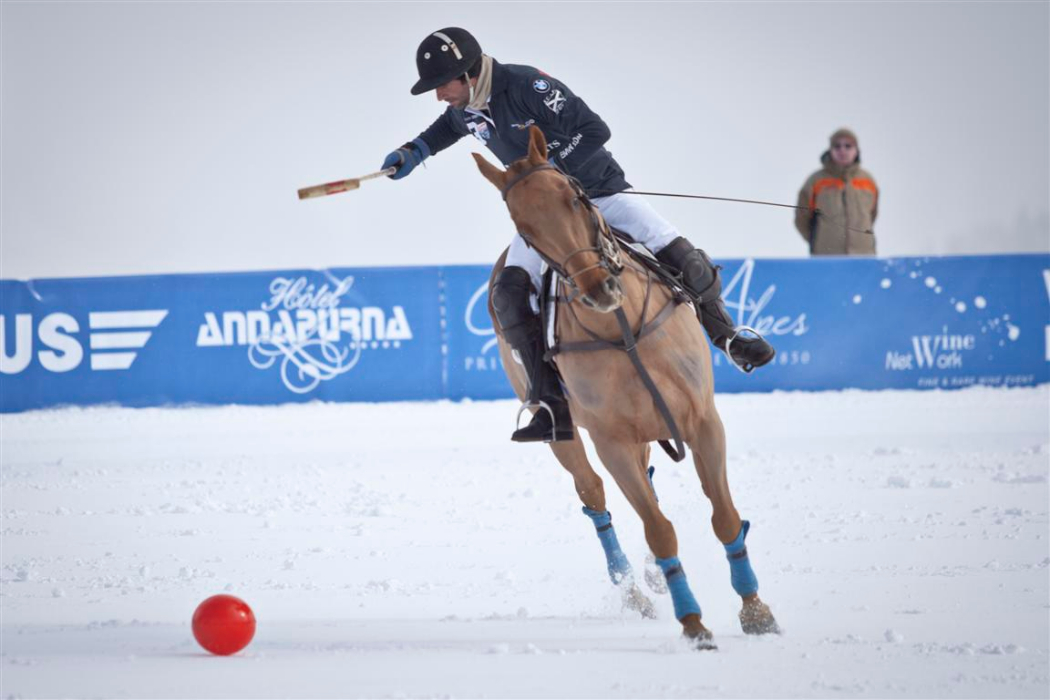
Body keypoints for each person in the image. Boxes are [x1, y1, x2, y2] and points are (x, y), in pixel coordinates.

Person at [382, 27, 775, 443]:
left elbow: (594, 130)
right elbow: (447, 128)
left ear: (468, 73)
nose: (439, 95)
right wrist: (414, 151)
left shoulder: (527, 86)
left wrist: (552, 171)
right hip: (546, 220)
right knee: (508, 294)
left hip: (601, 194)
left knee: (677, 250)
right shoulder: (465, 107)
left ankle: (727, 336)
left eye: (442, 85)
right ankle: (550, 403)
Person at [794, 128, 879, 255]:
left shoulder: (868, 181)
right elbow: (802, 218)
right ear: (830, 150)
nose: (842, 150)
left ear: (856, 150)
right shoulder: (816, 181)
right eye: (837, 146)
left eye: (848, 146)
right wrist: (817, 242)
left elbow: (872, 214)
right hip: (827, 257)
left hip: (863, 255)